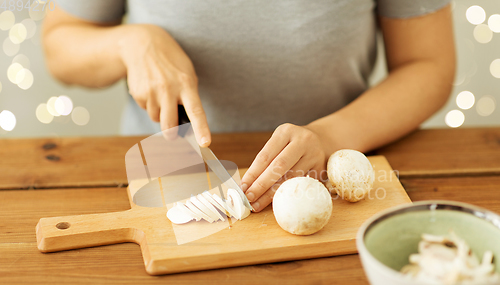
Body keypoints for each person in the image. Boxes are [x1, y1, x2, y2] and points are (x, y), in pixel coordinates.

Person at [43, 0, 455, 212]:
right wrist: (128, 42)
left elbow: (429, 65)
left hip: (327, 180)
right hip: (163, 173)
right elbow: (59, 45)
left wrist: (331, 136)